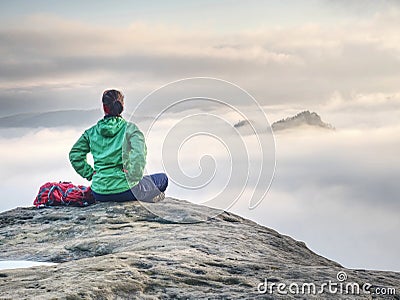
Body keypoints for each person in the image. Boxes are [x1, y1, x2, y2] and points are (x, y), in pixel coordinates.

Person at [69, 89, 168, 203]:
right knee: (163, 179)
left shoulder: (90, 133)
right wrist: (133, 176)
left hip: (99, 193)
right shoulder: (131, 129)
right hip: (126, 190)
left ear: (104, 107)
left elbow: (74, 155)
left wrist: (91, 174)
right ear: (122, 107)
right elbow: (139, 154)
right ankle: (150, 198)